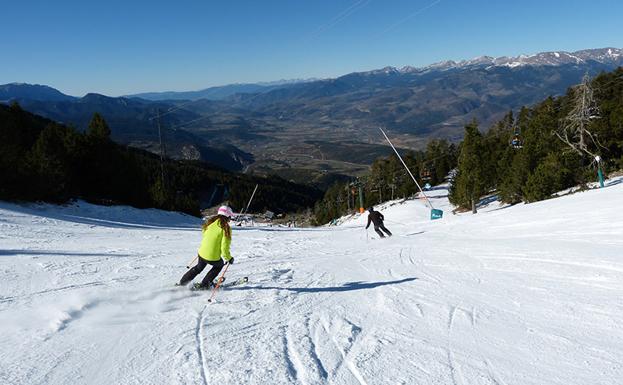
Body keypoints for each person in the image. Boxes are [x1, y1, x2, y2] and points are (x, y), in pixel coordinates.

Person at [179, 205, 235, 289]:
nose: (230, 219)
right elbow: (224, 248)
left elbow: (205, 234)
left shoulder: (210, 222)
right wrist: (228, 258)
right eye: (230, 216)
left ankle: (183, 282)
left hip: (202, 252)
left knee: (198, 267)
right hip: (212, 256)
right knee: (219, 265)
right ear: (227, 216)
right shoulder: (226, 228)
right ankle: (204, 284)